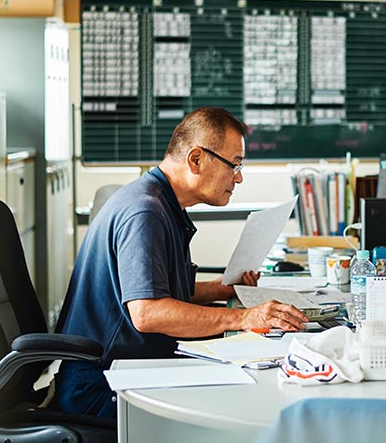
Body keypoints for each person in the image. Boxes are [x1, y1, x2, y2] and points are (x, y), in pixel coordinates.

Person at [52, 107, 307, 418]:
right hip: (101, 385)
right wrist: (243, 318)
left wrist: (219, 290)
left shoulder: (162, 203)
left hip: (131, 366)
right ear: (196, 159)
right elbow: (148, 313)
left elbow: (161, 292)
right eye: (235, 165)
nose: (238, 178)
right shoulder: (144, 212)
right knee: (245, 403)